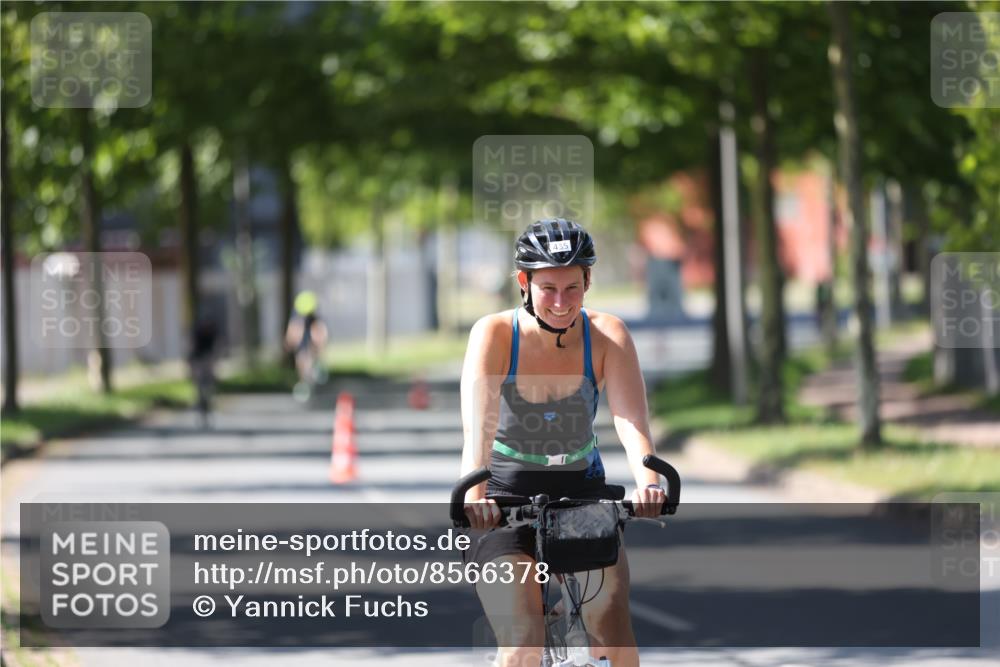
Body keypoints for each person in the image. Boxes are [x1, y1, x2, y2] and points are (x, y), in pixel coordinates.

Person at [460, 218, 666, 667]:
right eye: (547, 287)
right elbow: (478, 431)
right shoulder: (493, 334)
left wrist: (649, 481)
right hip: (505, 497)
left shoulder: (608, 334)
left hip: (582, 495)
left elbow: (631, 420)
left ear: (588, 281)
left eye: (572, 288)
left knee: (613, 632)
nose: (559, 302)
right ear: (524, 282)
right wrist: (475, 496)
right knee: (521, 645)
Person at [285, 290, 329, 397]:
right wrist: (290, 341)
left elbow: (320, 330)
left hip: (309, 341)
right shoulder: (298, 316)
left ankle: (315, 368)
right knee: (302, 359)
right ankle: (305, 381)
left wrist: (321, 343)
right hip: (303, 342)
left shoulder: (313, 317)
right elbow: (293, 330)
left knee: (308, 354)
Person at [188, 314, 219, 428]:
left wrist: (213, 365)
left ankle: (208, 410)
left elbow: (215, 351)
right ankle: (201, 411)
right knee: (200, 391)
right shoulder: (197, 334)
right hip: (199, 361)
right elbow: (192, 352)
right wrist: (193, 369)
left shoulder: (212, 334)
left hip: (208, 361)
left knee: (209, 390)